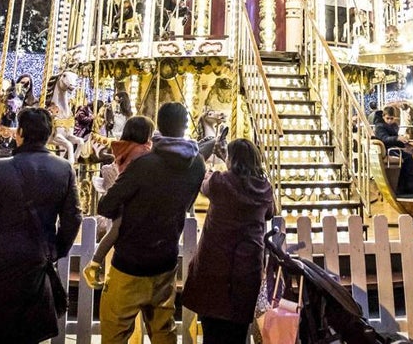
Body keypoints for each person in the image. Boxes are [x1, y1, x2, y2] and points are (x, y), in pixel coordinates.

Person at [0, 108, 82, 344]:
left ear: (20, 132)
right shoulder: (63, 169)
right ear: (49, 134)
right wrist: (55, 251)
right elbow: (73, 218)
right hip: (35, 260)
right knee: (25, 331)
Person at [97, 102, 206, 344]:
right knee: (163, 331)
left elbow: (106, 206)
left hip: (130, 262)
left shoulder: (144, 164)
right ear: (186, 126)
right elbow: (186, 205)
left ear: (158, 125)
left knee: (115, 330)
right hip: (166, 260)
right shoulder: (198, 164)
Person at [181, 139, 275, 344]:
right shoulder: (264, 189)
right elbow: (270, 213)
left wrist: (211, 157)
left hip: (215, 266)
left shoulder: (219, 182)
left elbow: (203, 183)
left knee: (212, 333)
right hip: (247, 269)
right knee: (238, 333)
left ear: (231, 159)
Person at [85, 116, 156, 287]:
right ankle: (94, 263)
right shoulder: (143, 152)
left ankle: (95, 263)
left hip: (126, 192)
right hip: (130, 196)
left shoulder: (124, 148)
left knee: (117, 226)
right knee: (119, 225)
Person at [374, 105, 413, 196]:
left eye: (391, 118)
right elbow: (384, 139)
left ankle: (408, 184)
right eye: (388, 118)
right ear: (383, 117)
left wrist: (404, 143)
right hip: (388, 149)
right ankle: (406, 186)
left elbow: (393, 139)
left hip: (392, 148)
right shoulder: (380, 126)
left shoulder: (392, 126)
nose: (390, 121)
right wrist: (397, 138)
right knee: (408, 158)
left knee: (411, 157)